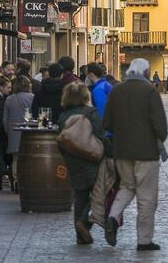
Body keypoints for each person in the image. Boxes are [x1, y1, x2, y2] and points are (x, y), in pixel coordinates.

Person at [102, 58, 168, 251]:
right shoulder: (149, 91)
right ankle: (144, 240)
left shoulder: (116, 91)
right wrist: (158, 139)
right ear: (146, 72)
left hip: (122, 151)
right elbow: (160, 124)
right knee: (147, 197)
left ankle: (113, 217)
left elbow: (106, 123)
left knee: (127, 187)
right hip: (146, 152)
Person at [58, 81, 112, 245]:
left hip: (73, 159)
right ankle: (84, 222)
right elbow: (101, 134)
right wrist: (111, 152)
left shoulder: (63, 116)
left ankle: (79, 236)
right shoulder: (91, 112)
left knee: (80, 195)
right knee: (100, 191)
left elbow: (62, 140)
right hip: (92, 158)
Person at [2, 76, 34, 182]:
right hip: (28, 130)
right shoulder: (32, 97)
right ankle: (26, 179)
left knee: (15, 158)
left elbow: (5, 119)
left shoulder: (10, 99)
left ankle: (16, 180)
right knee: (28, 158)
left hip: (13, 130)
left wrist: (8, 131)